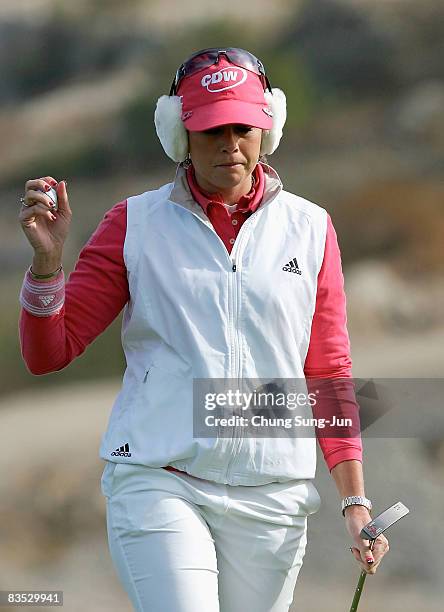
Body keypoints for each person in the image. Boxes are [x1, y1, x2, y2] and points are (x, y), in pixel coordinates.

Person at [18, 47, 389, 612]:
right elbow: (49, 353)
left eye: (243, 126)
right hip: (161, 481)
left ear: (269, 127)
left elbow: (328, 372)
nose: (229, 142)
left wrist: (354, 501)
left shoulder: (312, 229)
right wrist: (47, 265)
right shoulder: (132, 223)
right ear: (178, 134)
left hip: (274, 496)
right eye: (211, 128)